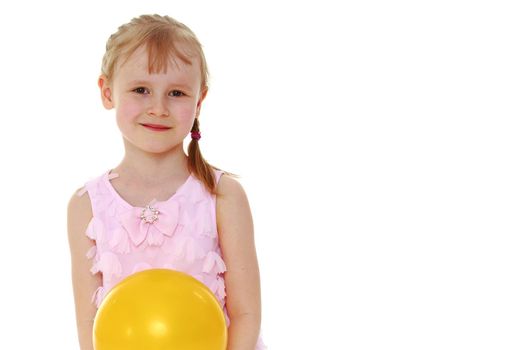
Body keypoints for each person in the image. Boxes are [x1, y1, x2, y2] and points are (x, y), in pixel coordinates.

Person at [67, 14, 266, 350]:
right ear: (107, 91)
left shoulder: (223, 195)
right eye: (141, 90)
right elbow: (91, 325)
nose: (158, 108)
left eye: (176, 92)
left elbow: (246, 314)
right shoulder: (85, 205)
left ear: (199, 100)